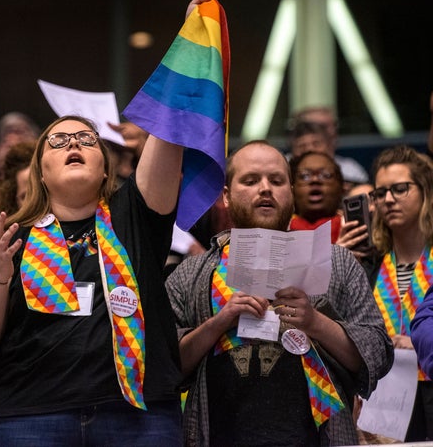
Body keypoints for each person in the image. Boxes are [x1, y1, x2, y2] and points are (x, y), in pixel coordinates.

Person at [0, 113, 186, 445]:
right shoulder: (11, 239)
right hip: (29, 417)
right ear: (42, 173)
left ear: (106, 167)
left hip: (134, 416)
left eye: (87, 139)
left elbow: (171, 126)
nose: (74, 142)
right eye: (58, 141)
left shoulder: (134, 214)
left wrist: (163, 112)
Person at [166, 140, 393, 446]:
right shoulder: (191, 273)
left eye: (276, 180)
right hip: (217, 434)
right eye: (250, 180)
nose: (265, 189)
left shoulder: (336, 262)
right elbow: (165, 365)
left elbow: (378, 353)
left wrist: (314, 322)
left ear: (291, 192)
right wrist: (220, 322)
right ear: (226, 196)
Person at [364, 145, 433, 441]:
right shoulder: (369, 266)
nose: (388, 199)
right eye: (380, 193)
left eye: (400, 189)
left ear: (426, 191)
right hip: (385, 400)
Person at [288, 106, 369, 191]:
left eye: (316, 144)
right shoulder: (283, 167)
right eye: (302, 146)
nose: (309, 149)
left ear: (329, 146)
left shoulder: (351, 170)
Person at [288, 151, 345, 242]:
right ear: (291, 188)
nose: (315, 180)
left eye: (326, 175)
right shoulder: (278, 230)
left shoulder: (354, 226)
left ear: (342, 187)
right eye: (305, 176)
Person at [0, 141, 35, 220]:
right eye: (25, 196)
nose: (34, 201)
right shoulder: (2, 230)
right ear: (13, 201)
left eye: (39, 191)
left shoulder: (55, 227)